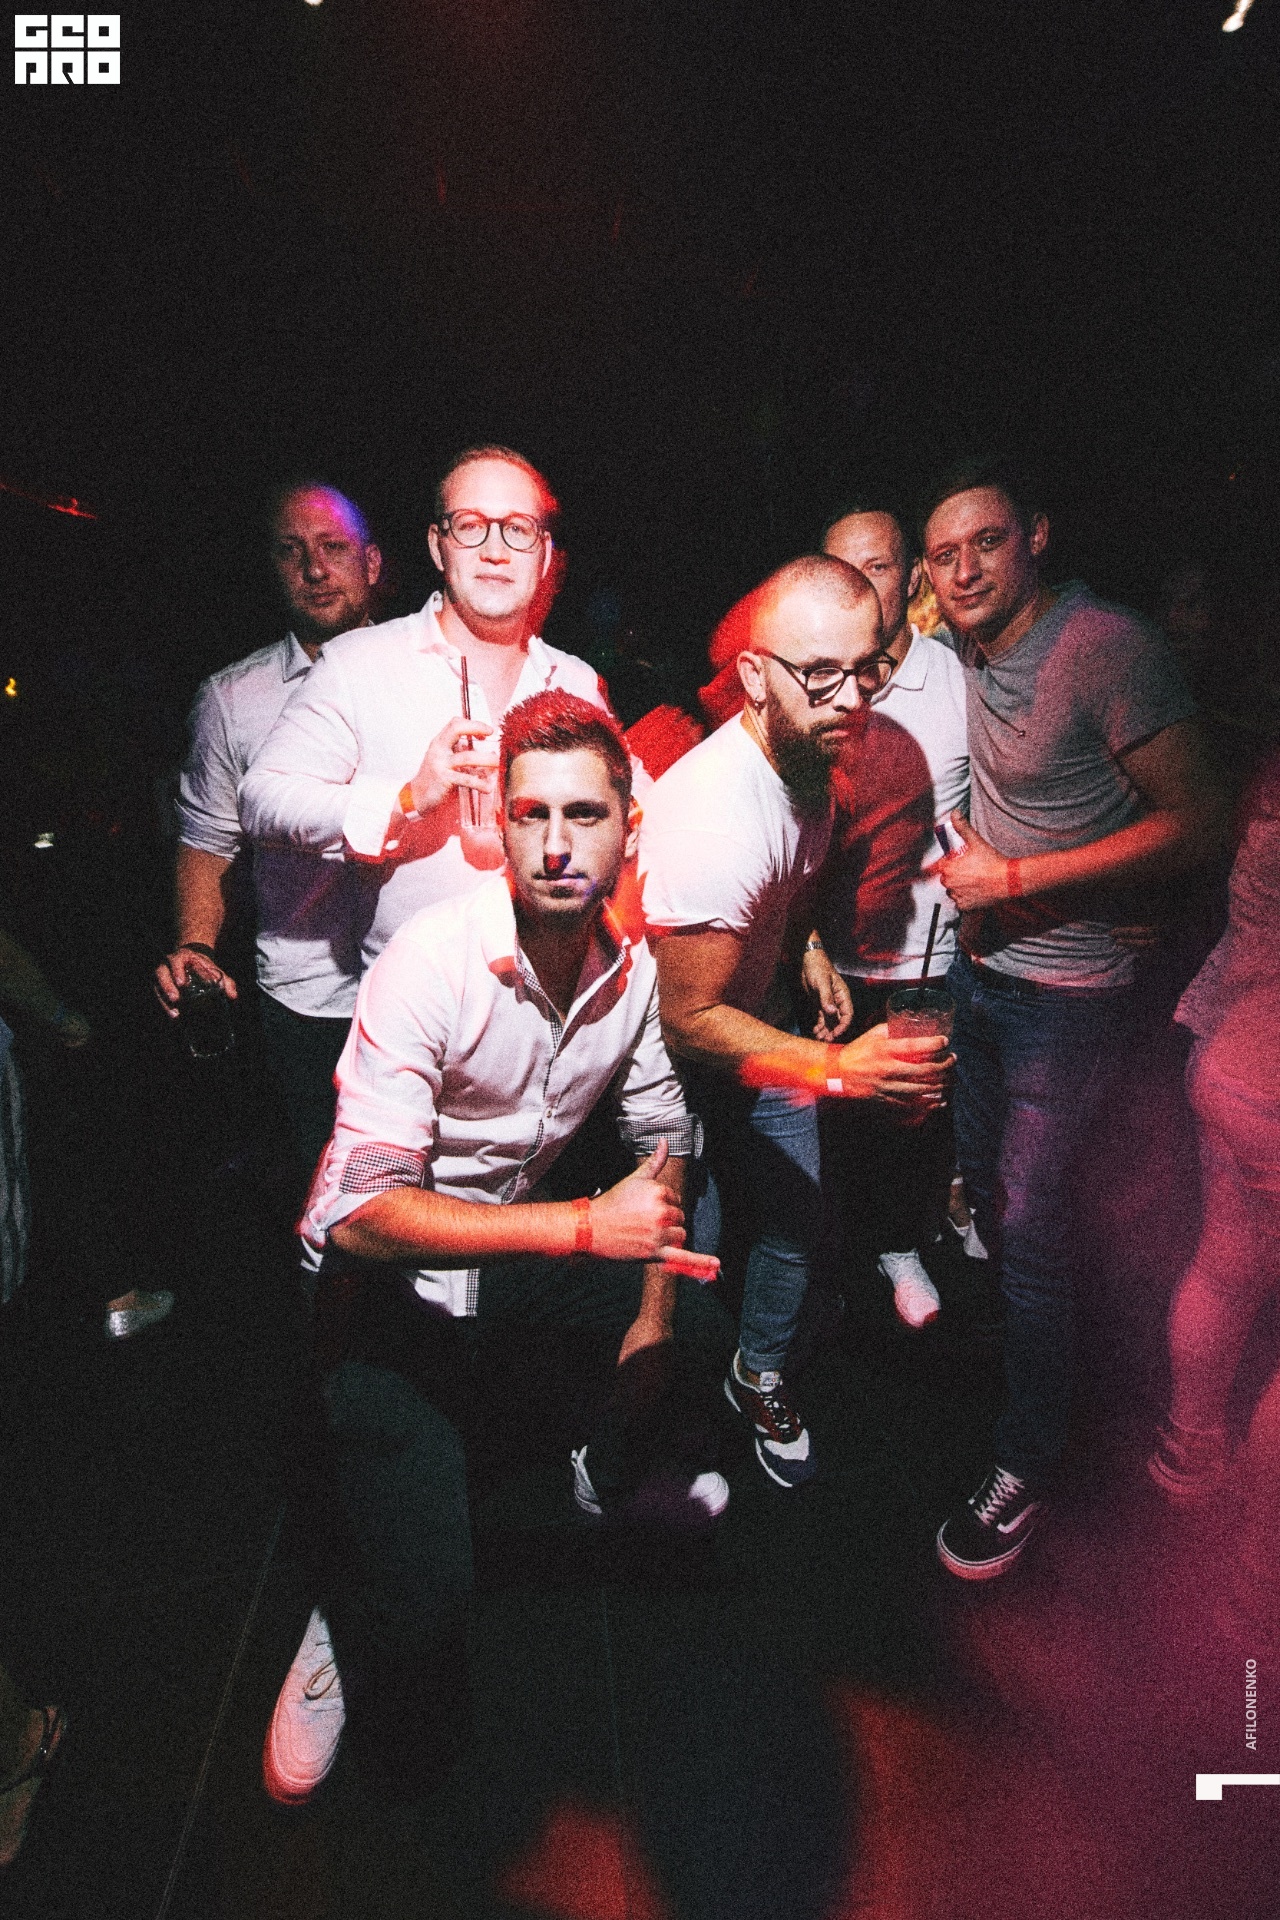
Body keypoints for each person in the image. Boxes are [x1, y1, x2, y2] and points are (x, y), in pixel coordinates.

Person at [263, 691, 726, 1805]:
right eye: (531, 814)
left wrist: (650, 1329)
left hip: (499, 1265)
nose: (558, 845)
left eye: (584, 814)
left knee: (696, 1322)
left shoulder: (629, 973)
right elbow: (359, 1213)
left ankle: (592, 1460)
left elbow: (665, 1135)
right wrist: (582, 1227)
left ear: (628, 827)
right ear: (501, 825)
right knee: (426, 1608)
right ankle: (349, 1603)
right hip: (376, 1293)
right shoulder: (430, 960)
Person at [921, 456, 1224, 1579]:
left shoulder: (1106, 648)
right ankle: (1034, 1369)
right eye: (943, 554)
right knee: (996, 1213)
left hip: (1070, 997)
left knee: (1032, 1224)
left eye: (986, 541)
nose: (963, 569)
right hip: (979, 980)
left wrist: (1017, 881)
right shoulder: (955, 644)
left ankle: (1031, 1462)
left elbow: (1199, 818)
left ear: (1036, 535)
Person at [638, 556, 953, 1489]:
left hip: (761, 1019)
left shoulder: (810, 753)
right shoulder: (714, 818)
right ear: (753, 677)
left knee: (796, 1219)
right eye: (819, 673)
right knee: (686, 1252)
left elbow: (785, 881)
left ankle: (757, 1371)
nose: (850, 698)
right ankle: (669, 1415)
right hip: (681, 1059)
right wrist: (840, 1070)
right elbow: (688, 1018)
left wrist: (805, 946)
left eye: (866, 669)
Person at [239, 447, 616, 980]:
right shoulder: (359, 663)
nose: (495, 551)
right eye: (471, 526)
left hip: (548, 994)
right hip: (415, 1002)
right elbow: (261, 798)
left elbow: (621, 818)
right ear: (438, 546)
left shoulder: (575, 681)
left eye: (518, 529)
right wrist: (407, 798)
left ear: (544, 553)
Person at [154, 482, 383, 1178]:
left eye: (333, 547)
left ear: (371, 563)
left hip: (428, 987)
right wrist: (196, 945)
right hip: (306, 999)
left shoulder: (426, 671)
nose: (314, 569)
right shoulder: (233, 698)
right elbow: (206, 841)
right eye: (291, 552)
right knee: (330, 1193)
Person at [815, 501, 970, 1328]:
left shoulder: (956, 677)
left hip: (929, 953)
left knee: (913, 1116)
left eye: (875, 567)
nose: (858, 586)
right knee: (833, 1121)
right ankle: (838, 1266)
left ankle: (903, 1244)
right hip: (830, 952)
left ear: (910, 579)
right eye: (841, 569)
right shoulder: (814, 677)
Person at [1147, 749, 1280, 1650]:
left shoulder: (1268, 775)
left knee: (1226, 1268)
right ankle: (1257, 1588)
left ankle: (1185, 1455)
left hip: (1231, 1056)